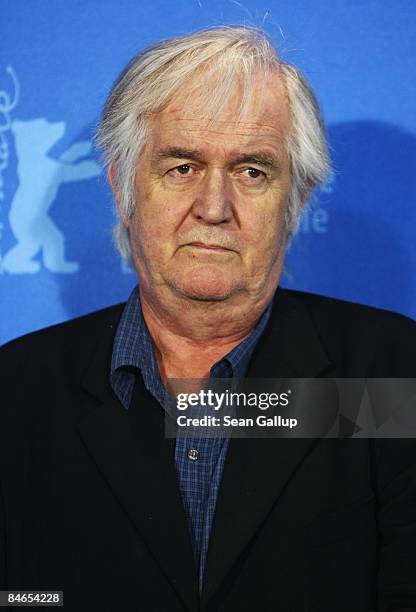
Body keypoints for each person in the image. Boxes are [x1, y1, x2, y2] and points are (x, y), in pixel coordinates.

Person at [1, 26, 416, 612]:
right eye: (182, 167)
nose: (214, 208)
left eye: (252, 171)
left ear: (296, 200)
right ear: (124, 189)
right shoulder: (15, 390)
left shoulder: (394, 376)